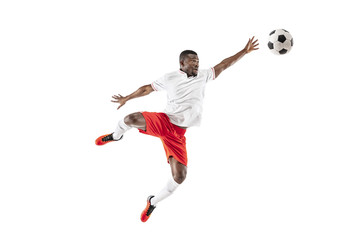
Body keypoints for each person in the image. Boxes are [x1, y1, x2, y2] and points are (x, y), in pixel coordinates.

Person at [95, 37, 259, 222]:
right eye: (193, 61)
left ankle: (153, 202)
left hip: (178, 134)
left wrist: (244, 51)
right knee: (130, 119)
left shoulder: (203, 75)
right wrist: (127, 97)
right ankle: (116, 136)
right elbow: (146, 89)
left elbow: (224, 64)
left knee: (180, 177)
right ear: (182, 63)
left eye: (198, 61)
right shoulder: (170, 77)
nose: (197, 64)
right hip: (164, 121)